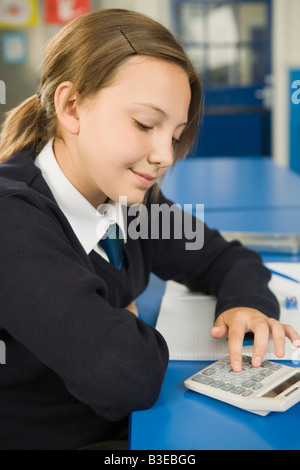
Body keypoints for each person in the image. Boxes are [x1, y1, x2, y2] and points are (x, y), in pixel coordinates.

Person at [0, 8, 298, 450]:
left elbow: (225, 256)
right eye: (145, 124)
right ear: (71, 107)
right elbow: (125, 376)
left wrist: (246, 305)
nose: (165, 155)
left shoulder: (132, 204)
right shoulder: (12, 222)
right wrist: (125, 326)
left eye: (175, 134)